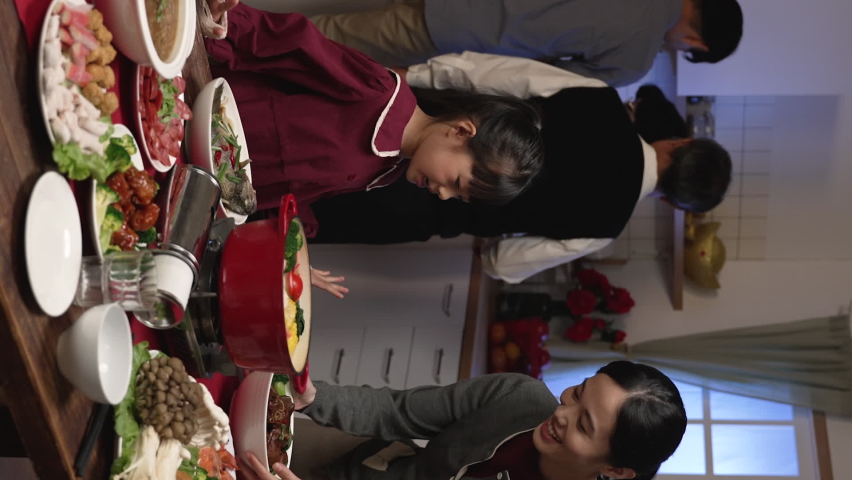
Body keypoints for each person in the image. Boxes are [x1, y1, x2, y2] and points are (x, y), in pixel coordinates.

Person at [307, 83, 732, 283]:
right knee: (289, 222)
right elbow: (502, 263)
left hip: (431, 126)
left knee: (303, 140)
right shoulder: (605, 229)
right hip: (413, 211)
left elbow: (498, 74)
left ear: (681, 142)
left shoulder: (600, 97)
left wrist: (421, 75)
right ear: (674, 205)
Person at [200, 0, 545, 240]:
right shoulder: (378, 92)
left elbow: (296, 187)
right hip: (201, 118)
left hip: (208, 179)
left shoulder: (387, 170)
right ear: (460, 131)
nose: (443, 196)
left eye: (457, 196)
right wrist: (226, 24)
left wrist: (290, 246)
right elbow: (296, 43)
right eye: (456, 181)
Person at [236, 360, 687, 480]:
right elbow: (397, 411)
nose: (561, 413)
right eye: (577, 392)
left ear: (614, 469)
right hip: (364, 463)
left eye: (585, 425)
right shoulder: (522, 397)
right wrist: (313, 397)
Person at [303, 0, 744, 87]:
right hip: (461, 25)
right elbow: (544, 80)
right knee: (324, 39)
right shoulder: (635, 60)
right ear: (695, 42)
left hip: (455, 15)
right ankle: (234, 43)